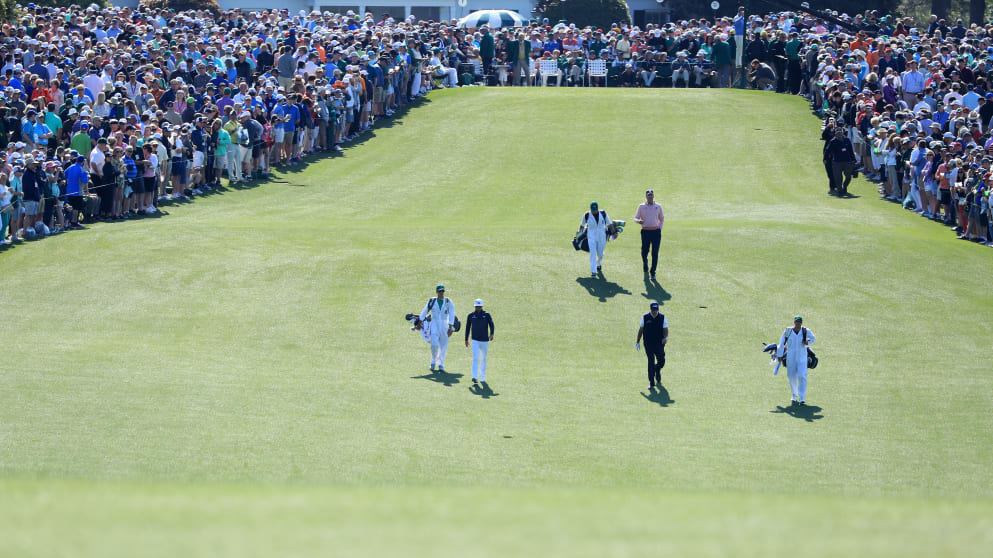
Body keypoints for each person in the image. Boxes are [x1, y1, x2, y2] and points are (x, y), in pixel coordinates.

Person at [776, 316, 815, 406]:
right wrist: (779, 355)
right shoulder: (788, 331)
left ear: (801, 323)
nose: (798, 324)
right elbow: (781, 343)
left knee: (802, 376)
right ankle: (794, 395)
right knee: (791, 376)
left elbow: (813, 338)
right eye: (796, 322)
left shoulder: (805, 331)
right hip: (791, 357)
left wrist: (808, 343)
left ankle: (802, 398)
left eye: (799, 322)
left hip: (802, 357)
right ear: (794, 322)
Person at [419, 285, 456, 372]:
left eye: (442, 291)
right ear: (436, 292)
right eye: (439, 291)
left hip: (445, 325)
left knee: (443, 346)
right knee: (434, 344)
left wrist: (450, 327)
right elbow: (425, 311)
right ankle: (433, 362)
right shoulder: (432, 301)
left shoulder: (448, 301)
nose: (441, 293)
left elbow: (452, 314)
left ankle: (441, 364)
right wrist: (420, 321)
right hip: (434, 324)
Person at [635, 301, 668, 391]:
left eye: (656, 310)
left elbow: (665, 329)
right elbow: (641, 329)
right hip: (648, 344)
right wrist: (637, 342)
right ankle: (651, 383)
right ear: (650, 309)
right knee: (651, 362)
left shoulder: (662, 317)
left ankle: (657, 370)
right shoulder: (645, 317)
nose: (654, 312)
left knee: (662, 361)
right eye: (653, 310)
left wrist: (665, 338)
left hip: (659, 344)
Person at [633, 189, 664, 280]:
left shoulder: (658, 206)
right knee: (644, 251)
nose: (650, 196)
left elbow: (662, 219)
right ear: (646, 196)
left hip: (656, 232)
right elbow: (635, 218)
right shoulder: (641, 206)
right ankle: (645, 263)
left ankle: (652, 272)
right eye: (648, 195)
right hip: (645, 232)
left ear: (653, 196)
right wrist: (639, 221)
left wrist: (659, 228)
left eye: (651, 195)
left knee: (655, 253)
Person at [464, 299, 495, 385]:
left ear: (482, 306)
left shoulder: (487, 315)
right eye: (477, 306)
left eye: (480, 306)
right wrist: (466, 339)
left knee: (483, 359)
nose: (478, 308)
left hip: (485, 341)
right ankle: (474, 376)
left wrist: (492, 334)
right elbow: (467, 328)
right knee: (475, 358)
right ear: (475, 306)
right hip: (475, 340)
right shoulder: (470, 316)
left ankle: (482, 377)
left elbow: (492, 325)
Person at [580, 201, 612, 277]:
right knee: (593, 254)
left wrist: (614, 233)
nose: (594, 211)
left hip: (602, 237)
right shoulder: (587, 215)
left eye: (595, 210)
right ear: (590, 209)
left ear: (597, 209)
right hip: (591, 237)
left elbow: (609, 223)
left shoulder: (603, 213)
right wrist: (579, 235)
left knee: (600, 254)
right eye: (593, 210)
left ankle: (599, 264)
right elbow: (582, 225)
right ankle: (593, 272)